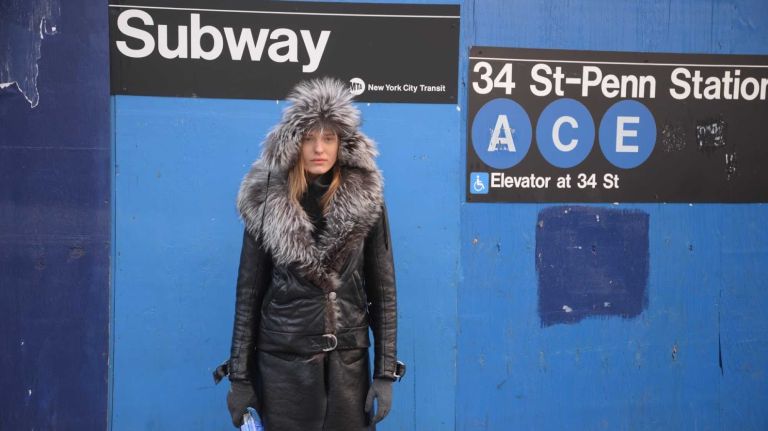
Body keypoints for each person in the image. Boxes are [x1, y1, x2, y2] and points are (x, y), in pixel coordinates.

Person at [214, 77, 404, 430]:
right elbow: (249, 293)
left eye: (328, 138)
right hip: (281, 368)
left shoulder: (366, 197)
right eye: (309, 138)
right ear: (294, 143)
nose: (319, 148)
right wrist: (240, 378)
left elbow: (384, 289)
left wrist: (386, 372)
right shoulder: (266, 199)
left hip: (348, 368)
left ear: (342, 144)